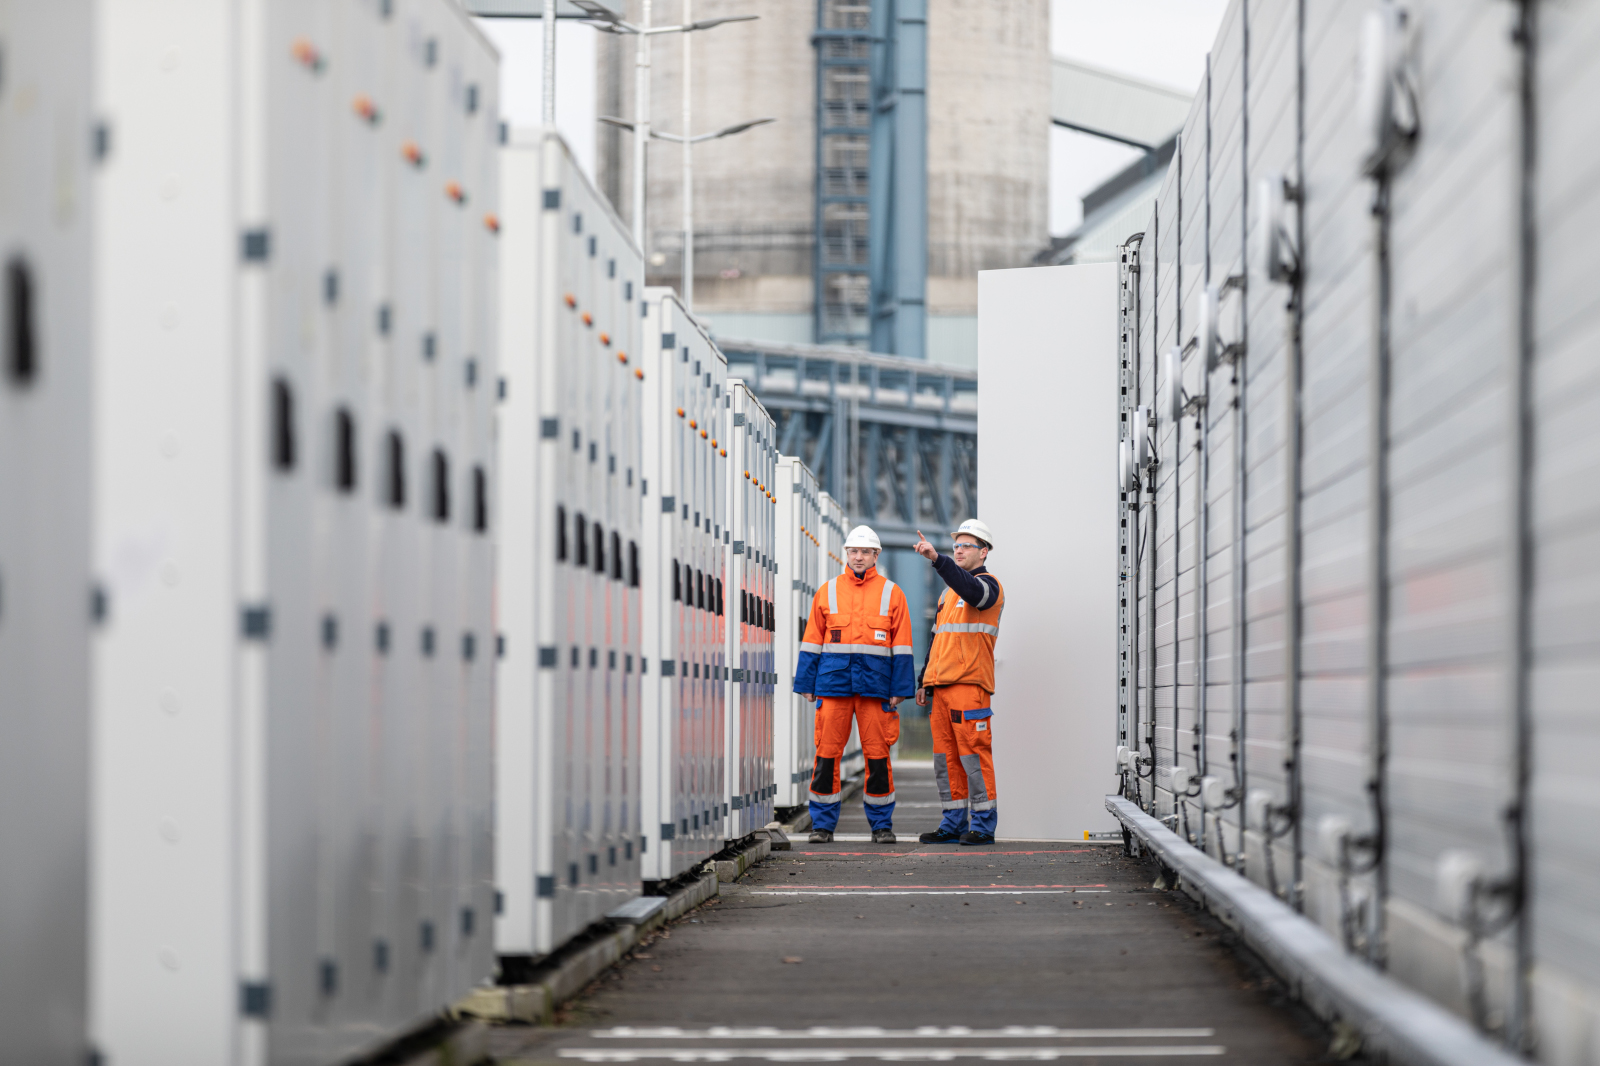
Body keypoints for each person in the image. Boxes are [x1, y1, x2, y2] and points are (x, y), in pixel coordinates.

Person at [793, 524, 916, 843]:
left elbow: (902, 645)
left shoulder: (892, 593)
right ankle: (822, 825)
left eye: (865, 552)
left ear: (876, 555)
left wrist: (900, 689)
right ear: (846, 553)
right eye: (853, 551)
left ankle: (881, 825)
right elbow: (812, 640)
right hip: (833, 685)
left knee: (877, 758)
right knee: (826, 757)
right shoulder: (827, 591)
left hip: (876, 687)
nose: (858, 557)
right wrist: (806, 682)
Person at [912, 519, 1003, 846]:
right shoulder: (947, 595)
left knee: (973, 756)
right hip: (942, 687)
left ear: (984, 551)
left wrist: (938, 560)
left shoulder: (989, 586)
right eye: (956, 546)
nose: (959, 550)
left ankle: (983, 826)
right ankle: (952, 823)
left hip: (969, 686)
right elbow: (937, 639)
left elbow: (973, 592)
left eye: (966, 545)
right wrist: (924, 680)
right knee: (946, 759)